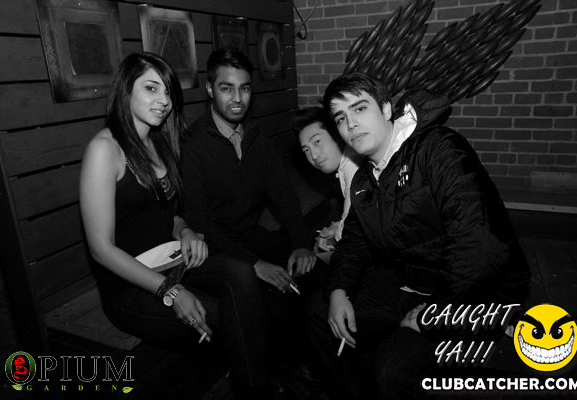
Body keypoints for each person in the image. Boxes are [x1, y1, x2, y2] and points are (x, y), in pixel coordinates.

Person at [306, 72, 531, 399]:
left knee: (393, 371)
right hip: (411, 283)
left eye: (359, 108)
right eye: (341, 117)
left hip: (474, 294)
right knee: (318, 310)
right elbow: (354, 242)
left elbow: (479, 243)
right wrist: (340, 289)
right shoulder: (365, 179)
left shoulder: (438, 148)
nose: (350, 124)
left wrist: (436, 313)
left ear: (386, 109)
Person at [79, 52, 272, 399]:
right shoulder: (104, 150)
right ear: (125, 89)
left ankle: (252, 387)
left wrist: (184, 231)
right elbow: (101, 249)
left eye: (167, 91)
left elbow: (168, 215)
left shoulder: (158, 143)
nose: (164, 100)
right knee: (231, 317)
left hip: (170, 261)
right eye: (151, 88)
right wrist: (170, 290)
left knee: (242, 274)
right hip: (129, 287)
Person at [181, 47, 328, 370]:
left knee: (317, 271)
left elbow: (284, 194)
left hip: (252, 237)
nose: (237, 98)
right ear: (210, 89)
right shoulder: (192, 144)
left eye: (244, 88)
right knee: (276, 306)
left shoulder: (256, 134)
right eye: (226, 88)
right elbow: (198, 220)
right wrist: (255, 264)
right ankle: (282, 372)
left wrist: (301, 243)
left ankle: (311, 360)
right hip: (216, 250)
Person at [292, 107, 364, 252]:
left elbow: (353, 229)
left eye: (317, 141)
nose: (313, 155)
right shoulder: (350, 159)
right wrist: (338, 225)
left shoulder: (352, 166)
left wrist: (336, 237)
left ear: (337, 134)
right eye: (306, 150)